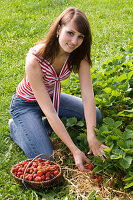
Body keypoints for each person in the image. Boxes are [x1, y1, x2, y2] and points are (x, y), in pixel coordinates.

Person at [9, 7, 108, 172]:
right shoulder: (34, 59)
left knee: (95, 115)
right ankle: (16, 127)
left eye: (80, 36)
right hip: (25, 104)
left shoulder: (78, 54)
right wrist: (75, 150)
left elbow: (88, 96)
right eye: (70, 33)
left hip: (52, 98)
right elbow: (51, 113)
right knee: (47, 158)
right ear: (58, 29)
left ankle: (40, 126)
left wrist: (92, 136)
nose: (74, 41)